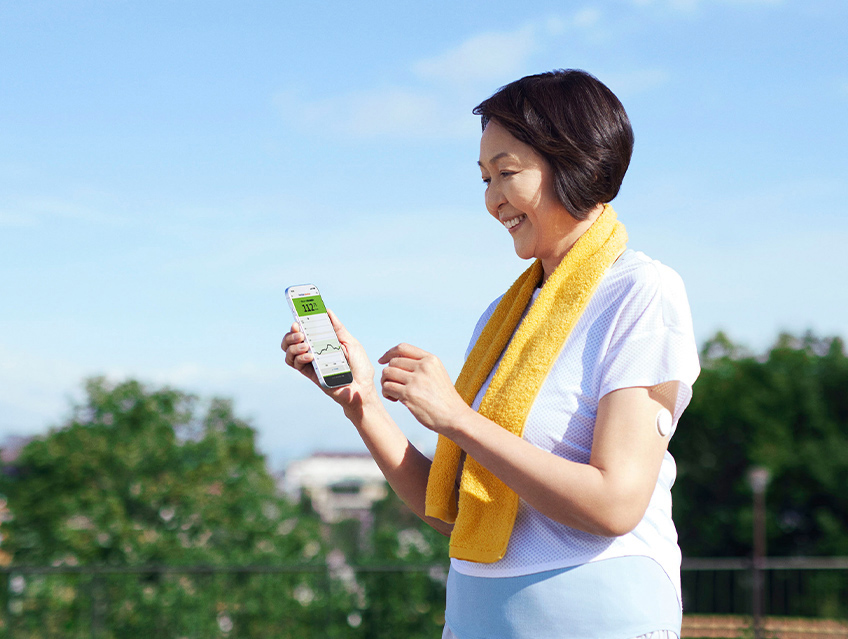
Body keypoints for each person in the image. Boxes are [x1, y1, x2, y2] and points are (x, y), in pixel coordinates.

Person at [280, 69, 698, 639]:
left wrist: (456, 418)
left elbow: (614, 505)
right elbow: (452, 510)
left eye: (507, 173)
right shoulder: (503, 317)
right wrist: (363, 405)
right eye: (484, 178)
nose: (492, 199)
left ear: (574, 162)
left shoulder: (641, 291)